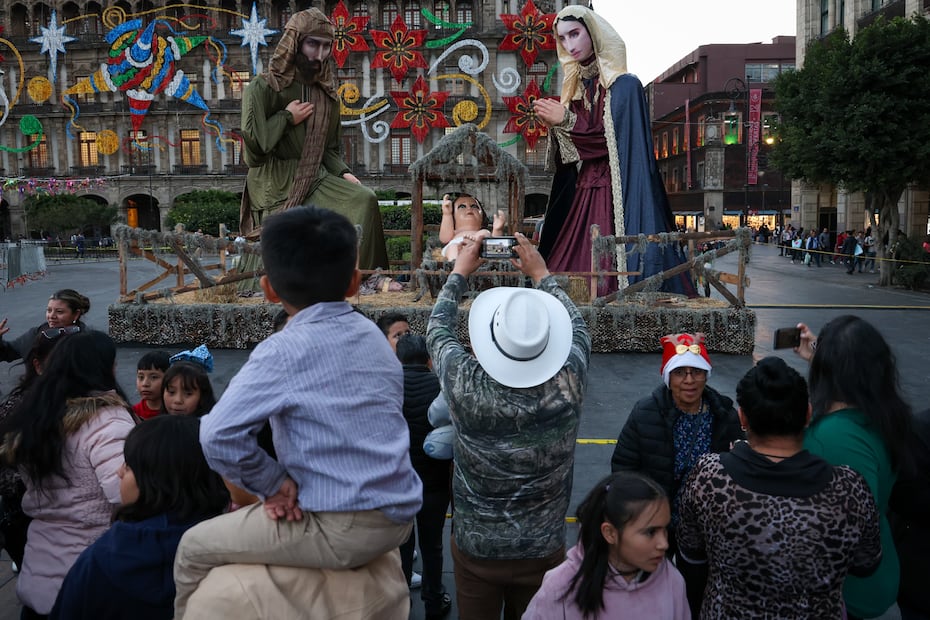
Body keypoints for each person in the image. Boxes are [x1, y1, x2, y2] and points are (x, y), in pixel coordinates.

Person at [172, 205, 421, 617]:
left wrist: (272, 484)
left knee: (193, 547)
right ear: (355, 282)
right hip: (397, 516)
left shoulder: (283, 348)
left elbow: (216, 435)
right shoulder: (372, 334)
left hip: (338, 526)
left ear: (269, 290)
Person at [425, 231, 592, 619]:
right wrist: (542, 274)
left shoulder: (465, 384)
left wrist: (459, 272)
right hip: (544, 548)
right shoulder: (570, 381)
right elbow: (580, 329)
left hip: (477, 549)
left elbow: (437, 329)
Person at [677, 357, 882, 619]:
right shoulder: (850, 488)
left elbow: (691, 554)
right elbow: (866, 564)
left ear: (743, 418)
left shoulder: (709, 477)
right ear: (808, 414)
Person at [533, 6, 692, 296]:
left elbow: (611, 140)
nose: (570, 45)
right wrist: (557, 125)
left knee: (614, 263)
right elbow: (574, 154)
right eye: (563, 38)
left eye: (575, 34)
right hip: (586, 190)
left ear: (593, 32)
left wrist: (566, 120)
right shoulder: (579, 90)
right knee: (572, 260)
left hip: (620, 191)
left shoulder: (625, 86)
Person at [237, 7, 387, 271]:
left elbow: (328, 148)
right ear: (294, 42)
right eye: (312, 44)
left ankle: (364, 276)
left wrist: (342, 172)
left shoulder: (325, 95)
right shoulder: (261, 88)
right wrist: (286, 117)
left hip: (315, 176)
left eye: (326, 47)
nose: (319, 55)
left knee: (364, 199)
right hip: (275, 181)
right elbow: (254, 151)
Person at [0, 330, 135, 617]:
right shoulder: (106, 420)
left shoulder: (39, 415)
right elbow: (126, 495)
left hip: (40, 570)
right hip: (88, 579)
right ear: (101, 367)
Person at [609, 332, 742, 616]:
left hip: (706, 528)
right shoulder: (646, 412)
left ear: (707, 374)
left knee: (697, 595)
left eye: (696, 372)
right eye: (680, 372)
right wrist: (641, 517)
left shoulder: (724, 416)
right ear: (668, 377)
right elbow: (623, 467)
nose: (689, 380)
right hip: (656, 521)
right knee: (649, 594)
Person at [49, 415, 229, 619]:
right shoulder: (233, 548)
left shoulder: (99, 559)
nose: (119, 472)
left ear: (155, 481)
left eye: (128, 465)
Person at [796, 315, 915, 620]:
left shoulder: (833, 437)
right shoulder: (881, 415)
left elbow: (838, 527)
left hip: (846, 597)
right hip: (878, 581)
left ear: (830, 370)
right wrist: (818, 357)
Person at [523, 472, 689, 620]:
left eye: (665, 529)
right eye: (650, 532)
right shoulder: (561, 586)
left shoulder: (671, 581)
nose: (664, 544)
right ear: (610, 533)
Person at [0, 327, 77, 570]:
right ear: (38, 366)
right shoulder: (17, 409)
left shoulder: (92, 404)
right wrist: (32, 482)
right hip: (28, 517)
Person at [395, 334, 452, 619]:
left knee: (403, 548)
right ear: (429, 360)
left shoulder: (388, 388)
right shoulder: (440, 387)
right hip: (435, 483)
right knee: (432, 547)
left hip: (400, 484)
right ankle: (434, 599)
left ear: (398, 360)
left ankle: (402, 604)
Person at [0, 288, 90, 363]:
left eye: (59, 312)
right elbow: (7, 352)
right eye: (49, 310)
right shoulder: (36, 334)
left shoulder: (87, 341)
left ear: (76, 314)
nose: (51, 316)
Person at [438, 193, 507, 261]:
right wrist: (447, 214)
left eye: (474, 206)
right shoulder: (454, 233)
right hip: (456, 248)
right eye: (462, 206)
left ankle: (476, 244)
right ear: (453, 215)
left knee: (485, 234)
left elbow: (496, 248)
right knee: (453, 247)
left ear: (482, 216)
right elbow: (444, 239)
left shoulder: (483, 232)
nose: (469, 209)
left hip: (480, 249)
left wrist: (497, 230)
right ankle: (454, 265)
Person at [133, 350, 171, 420]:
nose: (145, 384)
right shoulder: (133, 413)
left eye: (154, 377)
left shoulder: (175, 412)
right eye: (141, 377)